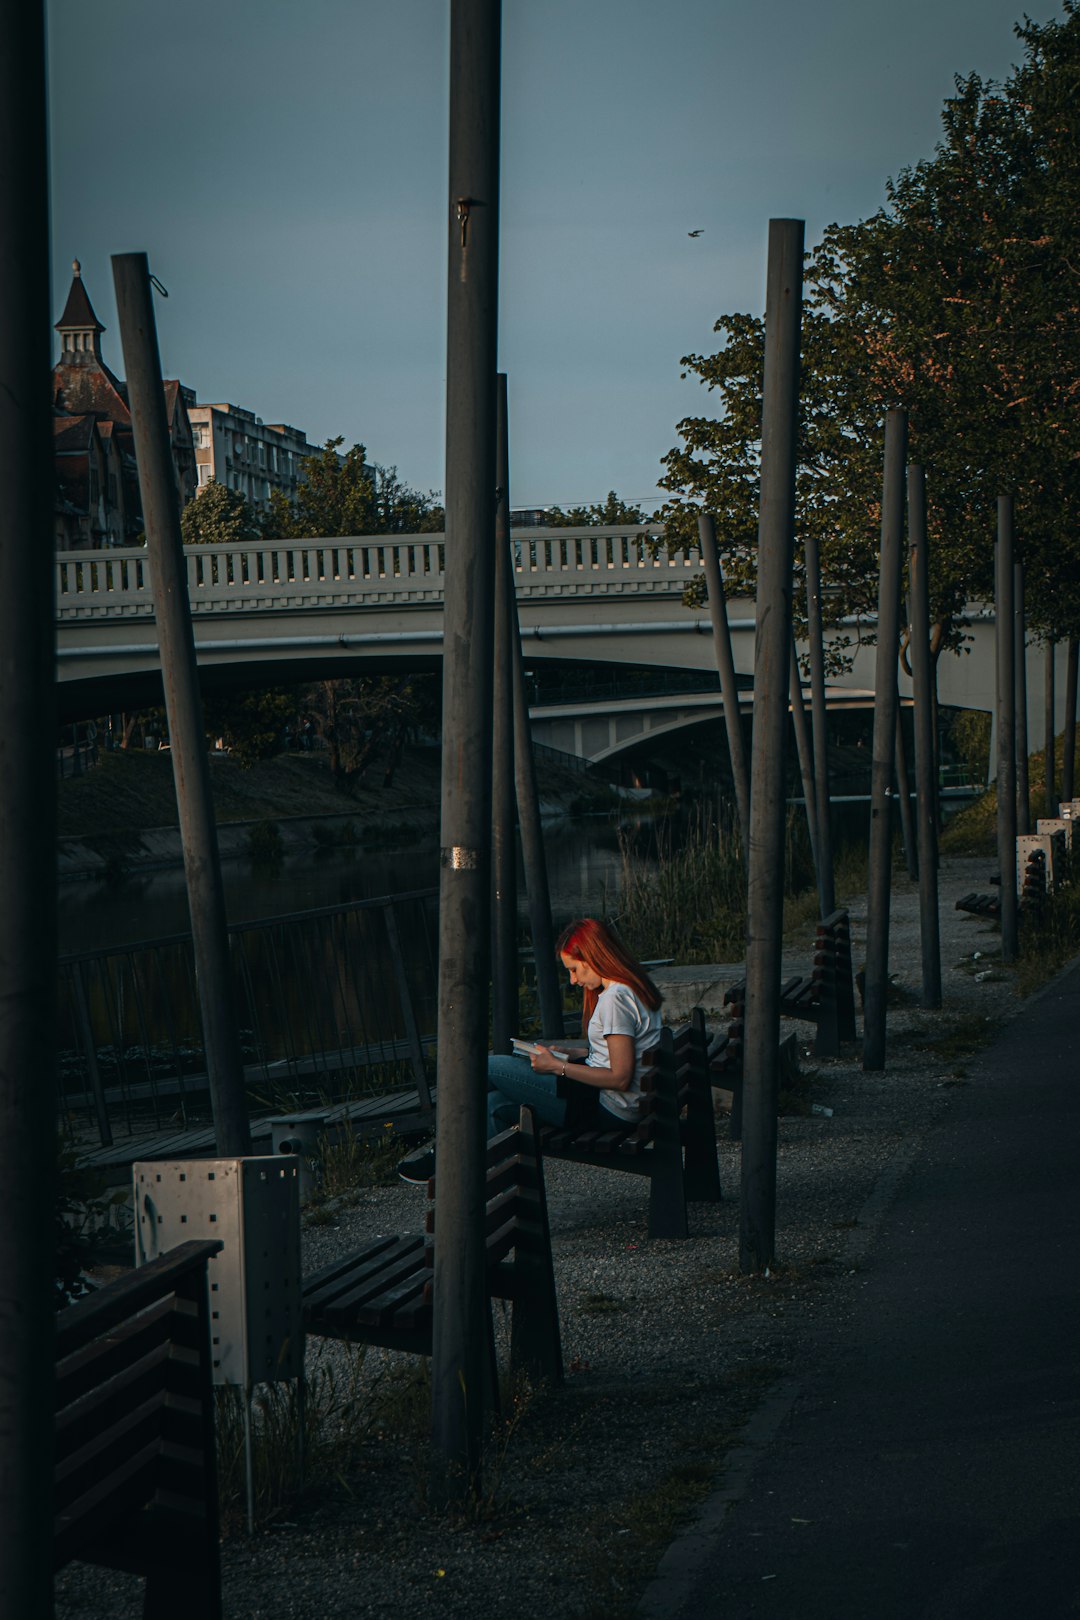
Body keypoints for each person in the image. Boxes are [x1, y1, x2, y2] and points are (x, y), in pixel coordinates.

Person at [398, 918, 662, 1182]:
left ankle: (442, 1157)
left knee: (483, 1067)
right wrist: (576, 1055)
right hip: (614, 1105)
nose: (572, 980)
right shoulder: (631, 987)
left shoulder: (615, 999)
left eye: (574, 969)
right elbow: (624, 1053)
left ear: (593, 957)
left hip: (607, 1110)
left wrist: (557, 1066)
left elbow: (620, 1077)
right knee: (492, 1105)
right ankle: (470, 1188)